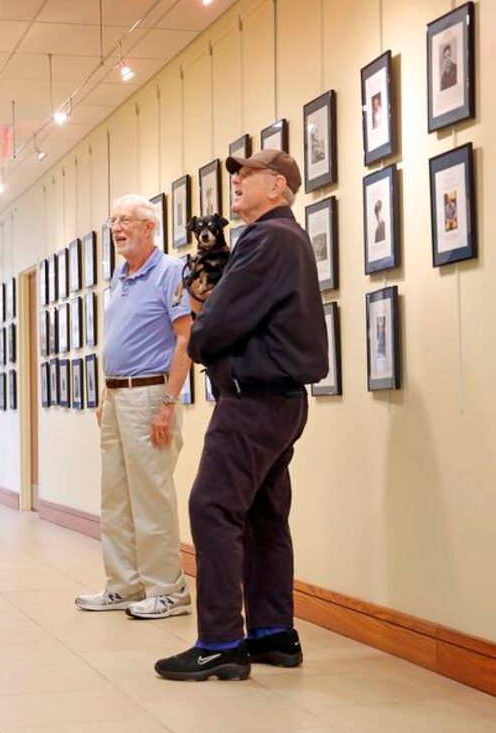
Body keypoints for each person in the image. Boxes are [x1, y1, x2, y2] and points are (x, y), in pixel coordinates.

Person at [154, 150, 327, 681]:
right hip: (282, 400)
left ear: (276, 185)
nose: (236, 182)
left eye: (246, 175)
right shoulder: (288, 237)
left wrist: (201, 329)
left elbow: (219, 322)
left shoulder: (267, 238)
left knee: (212, 507)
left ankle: (221, 643)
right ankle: (274, 635)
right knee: (263, 516)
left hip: (253, 400)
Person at [75, 194, 193, 619]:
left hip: (149, 395)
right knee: (115, 496)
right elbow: (118, 339)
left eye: (125, 221)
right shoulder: (119, 275)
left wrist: (167, 404)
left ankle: (169, 589)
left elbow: (186, 339)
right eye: (112, 222)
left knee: (151, 495)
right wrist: (105, 395)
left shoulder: (170, 272)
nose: (117, 229)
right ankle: (124, 584)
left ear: (150, 227)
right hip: (116, 394)